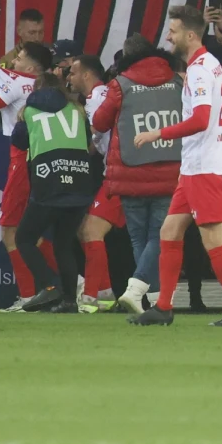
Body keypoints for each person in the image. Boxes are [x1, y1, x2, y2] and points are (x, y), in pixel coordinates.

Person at [128, 5, 222, 327]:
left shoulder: (199, 70)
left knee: (214, 239)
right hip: (196, 166)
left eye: (173, 30)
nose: (168, 36)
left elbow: (199, 120)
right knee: (170, 230)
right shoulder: (208, 65)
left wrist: (159, 133)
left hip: (206, 167)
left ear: (191, 34)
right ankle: (164, 308)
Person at [91, 33, 181, 316]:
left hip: (130, 171)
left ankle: (136, 292)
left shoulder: (120, 84)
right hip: (169, 168)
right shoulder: (178, 81)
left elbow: (99, 122)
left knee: (139, 238)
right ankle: (152, 299)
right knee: (159, 236)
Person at [0, 42, 50, 312]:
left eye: (20, 58)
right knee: (33, 233)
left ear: (29, 67)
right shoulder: (35, 83)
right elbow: (6, 77)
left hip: (20, 158)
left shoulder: (16, 84)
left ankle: (29, 295)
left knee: (9, 230)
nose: (13, 62)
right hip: (39, 157)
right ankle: (64, 284)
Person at [12, 72, 94, 313]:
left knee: (24, 238)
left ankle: (48, 287)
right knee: (63, 244)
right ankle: (69, 301)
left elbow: (18, 141)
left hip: (49, 181)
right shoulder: (77, 110)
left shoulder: (28, 111)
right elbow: (89, 142)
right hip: (80, 180)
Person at [67, 54, 123, 313]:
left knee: (91, 231)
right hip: (110, 173)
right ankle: (105, 291)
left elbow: (103, 137)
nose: (69, 77)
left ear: (86, 75)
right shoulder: (93, 99)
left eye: (73, 73)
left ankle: (89, 299)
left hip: (120, 175)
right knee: (83, 231)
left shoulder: (100, 98)